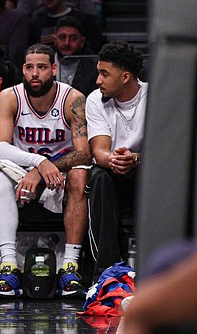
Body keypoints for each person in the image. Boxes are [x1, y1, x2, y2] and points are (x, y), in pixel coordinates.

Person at [0, 44, 90, 299]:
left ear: (54, 69)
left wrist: (47, 166)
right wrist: (37, 163)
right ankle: (8, 266)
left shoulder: (72, 99)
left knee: (80, 174)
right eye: (29, 67)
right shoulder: (10, 97)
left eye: (42, 67)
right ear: (23, 69)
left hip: (61, 172)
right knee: (2, 177)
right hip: (24, 170)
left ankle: (70, 267)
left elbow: (84, 153)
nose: (35, 73)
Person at [85, 41, 146, 281]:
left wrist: (137, 158)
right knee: (98, 178)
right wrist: (115, 160)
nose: (98, 80)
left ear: (125, 77)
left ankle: (156, 269)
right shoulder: (94, 100)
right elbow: (99, 151)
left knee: (158, 175)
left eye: (104, 73)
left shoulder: (154, 96)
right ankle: (107, 274)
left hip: (145, 169)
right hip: (112, 168)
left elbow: (165, 151)